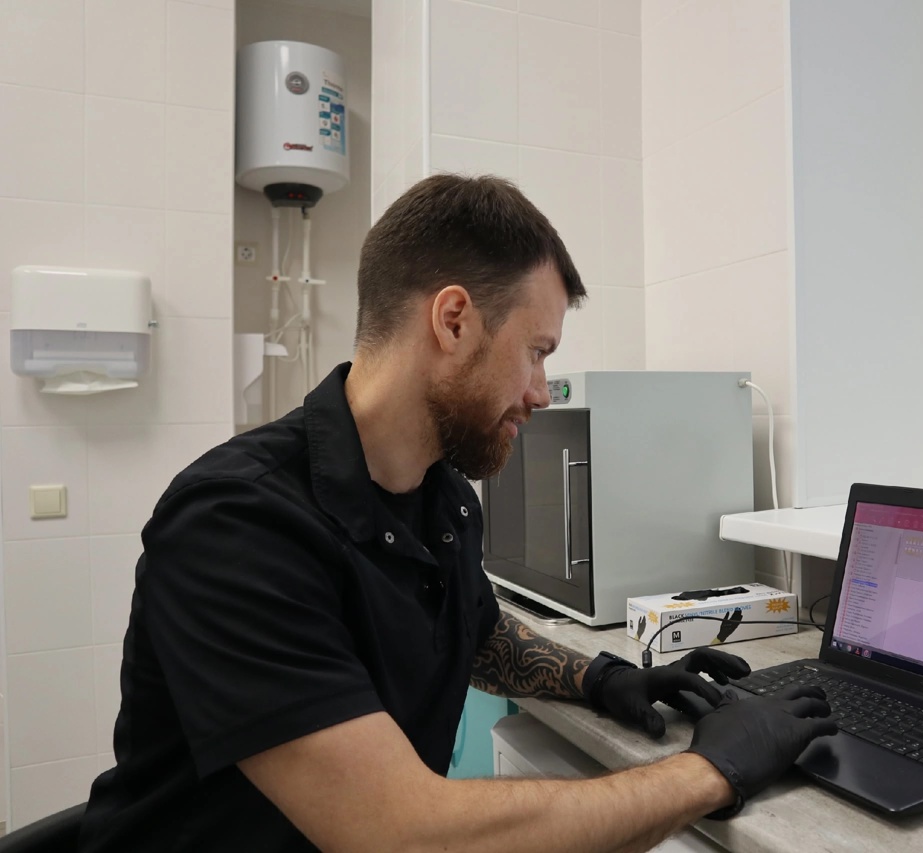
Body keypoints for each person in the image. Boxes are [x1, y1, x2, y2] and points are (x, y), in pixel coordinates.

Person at [78, 174, 835, 852]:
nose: (541, 392)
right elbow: (402, 833)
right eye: (536, 351)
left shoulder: (441, 495)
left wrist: (606, 677)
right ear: (452, 321)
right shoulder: (238, 524)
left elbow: (475, 633)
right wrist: (711, 770)